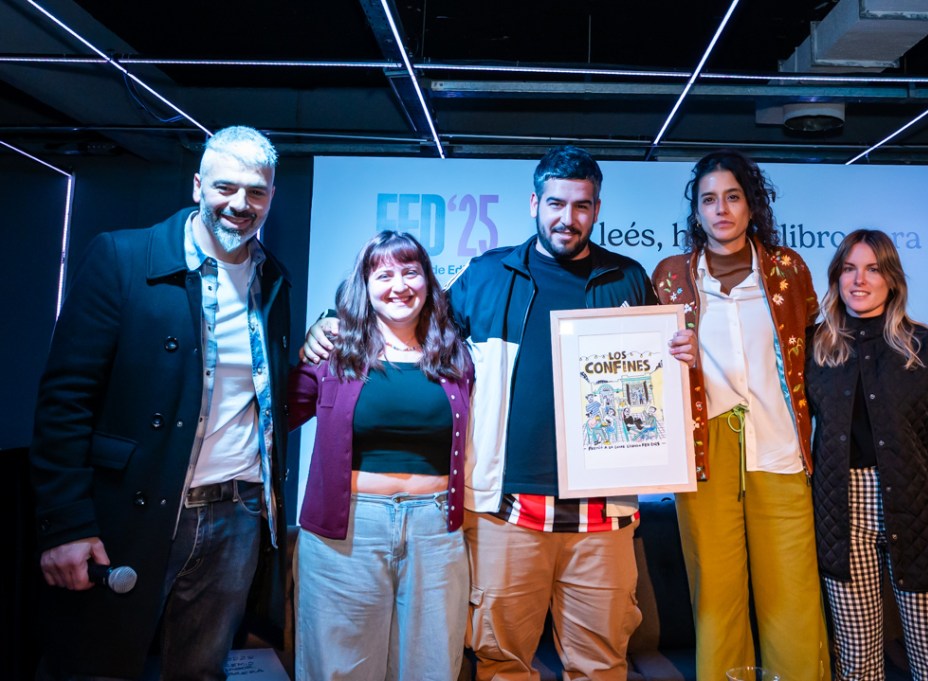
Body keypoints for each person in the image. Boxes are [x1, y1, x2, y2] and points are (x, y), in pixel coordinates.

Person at [304, 146, 666, 680]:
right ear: (534, 203)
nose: (568, 218)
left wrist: (676, 355)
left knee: (603, 664)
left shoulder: (627, 277)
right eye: (556, 203)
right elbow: (410, 315)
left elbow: (654, 376)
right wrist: (331, 319)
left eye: (582, 206)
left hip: (601, 516)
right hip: (507, 511)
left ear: (597, 208)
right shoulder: (489, 274)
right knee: (501, 663)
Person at [30, 126, 290, 681]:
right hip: (136, 511)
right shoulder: (124, 257)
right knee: (94, 668)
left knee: (199, 673)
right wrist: (66, 525)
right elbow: (65, 400)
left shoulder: (273, 279)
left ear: (271, 195)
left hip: (236, 516)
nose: (240, 205)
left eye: (257, 192)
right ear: (197, 184)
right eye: (225, 187)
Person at [650, 149, 831, 681]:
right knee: (717, 595)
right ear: (697, 211)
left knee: (793, 594)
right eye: (709, 199)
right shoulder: (669, 278)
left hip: (779, 446)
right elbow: (643, 367)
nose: (721, 209)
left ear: (751, 205)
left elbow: (824, 351)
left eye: (732, 197)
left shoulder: (788, 270)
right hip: (704, 452)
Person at [287, 231, 473, 680]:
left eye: (410, 272)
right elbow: (276, 414)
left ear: (428, 281)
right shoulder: (332, 354)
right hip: (346, 531)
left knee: (431, 666)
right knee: (339, 667)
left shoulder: (457, 356)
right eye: (384, 274)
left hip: (435, 531)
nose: (399, 285)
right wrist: (303, 345)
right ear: (365, 286)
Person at [807, 229, 928, 680]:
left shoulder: (927, 350)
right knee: (857, 663)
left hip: (918, 513)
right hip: (839, 514)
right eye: (849, 268)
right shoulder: (814, 347)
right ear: (837, 277)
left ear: (892, 280)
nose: (859, 280)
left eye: (873, 269)